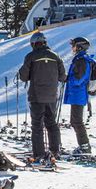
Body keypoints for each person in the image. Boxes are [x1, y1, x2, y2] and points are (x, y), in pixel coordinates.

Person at [18, 32, 65, 164]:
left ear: (33, 44)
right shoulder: (56, 56)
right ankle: (55, 151)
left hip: (36, 96)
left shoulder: (31, 56)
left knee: (37, 125)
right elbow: (63, 76)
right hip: (51, 96)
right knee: (52, 124)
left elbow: (23, 76)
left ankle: (39, 153)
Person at [63, 37, 95, 154]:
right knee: (75, 121)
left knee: (77, 121)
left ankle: (85, 146)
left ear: (80, 47)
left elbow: (79, 79)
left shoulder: (81, 60)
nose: (72, 48)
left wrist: (68, 79)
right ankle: (84, 146)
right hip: (78, 94)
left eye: (74, 45)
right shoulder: (80, 59)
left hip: (78, 94)